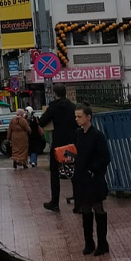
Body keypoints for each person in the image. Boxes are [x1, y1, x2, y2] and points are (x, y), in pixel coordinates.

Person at [72, 105, 111, 256]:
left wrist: (93, 169)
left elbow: (106, 157)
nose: (77, 119)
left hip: (94, 178)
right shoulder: (78, 134)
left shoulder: (98, 135)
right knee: (85, 209)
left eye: (79, 116)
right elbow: (77, 153)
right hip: (81, 177)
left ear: (88, 117)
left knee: (98, 208)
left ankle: (103, 243)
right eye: (75, 117)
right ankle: (89, 243)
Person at [38, 83, 78, 212]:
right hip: (71, 144)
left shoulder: (53, 107)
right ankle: (79, 204)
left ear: (54, 94)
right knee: (74, 172)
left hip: (57, 145)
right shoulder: (73, 107)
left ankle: (55, 203)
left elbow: (42, 122)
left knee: (54, 173)